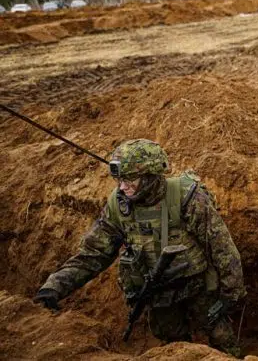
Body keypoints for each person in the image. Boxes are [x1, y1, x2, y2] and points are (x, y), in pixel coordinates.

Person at [33, 139, 245, 357]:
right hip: (159, 294)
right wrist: (54, 286)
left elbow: (222, 249)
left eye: (129, 180)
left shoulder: (187, 198)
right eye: (119, 180)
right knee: (175, 348)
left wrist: (231, 295)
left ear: (150, 175)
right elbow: (93, 253)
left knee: (221, 336)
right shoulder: (119, 207)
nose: (122, 187)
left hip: (198, 286)